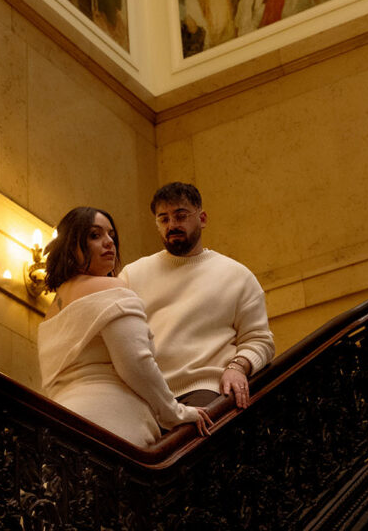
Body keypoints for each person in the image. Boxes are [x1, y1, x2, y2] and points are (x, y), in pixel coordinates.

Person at [37, 207, 212, 448]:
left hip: (60, 426)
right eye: (95, 235)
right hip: (111, 422)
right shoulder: (110, 287)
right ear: (71, 245)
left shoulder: (50, 313)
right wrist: (176, 413)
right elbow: (136, 363)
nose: (109, 242)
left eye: (111, 235)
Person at [120, 183, 274, 411]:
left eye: (180, 216)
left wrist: (238, 367)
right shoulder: (133, 275)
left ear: (202, 219)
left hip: (206, 390)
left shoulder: (236, 276)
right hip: (146, 396)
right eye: (163, 219)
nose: (172, 225)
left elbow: (260, 340)